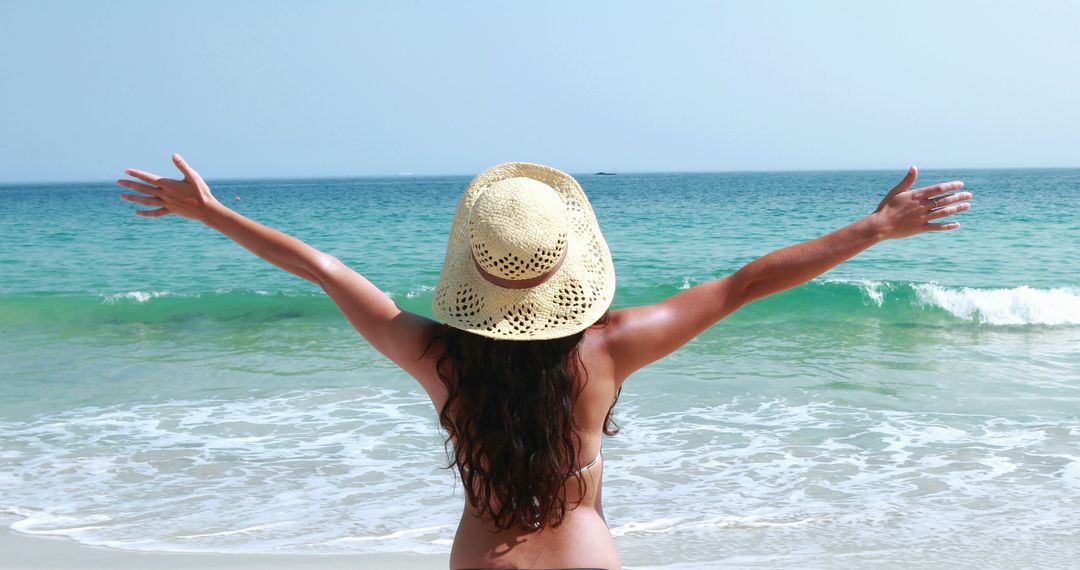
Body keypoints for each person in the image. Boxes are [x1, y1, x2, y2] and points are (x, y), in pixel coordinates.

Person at [118, 155, 971, 570]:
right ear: (565, 267)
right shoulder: (610, 346)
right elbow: (748, 283)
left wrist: (212, 212)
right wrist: (874, 228)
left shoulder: (432, 351)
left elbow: (324, 268)